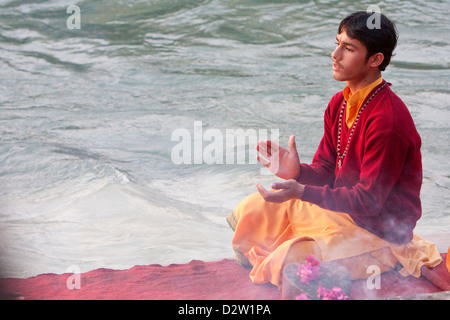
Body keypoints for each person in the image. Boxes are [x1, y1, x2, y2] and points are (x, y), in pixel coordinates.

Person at [227, 11, 442, 287]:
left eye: (348, 48)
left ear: (375, 60)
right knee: (251, 210)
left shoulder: (388, 121)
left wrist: (302, 192)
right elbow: (327, 170)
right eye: (337, 43)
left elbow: (369, 202)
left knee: (290, 258)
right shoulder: (339, 104)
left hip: (380, 235)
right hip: (343, 216)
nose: (335, 54)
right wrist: (298, 172)